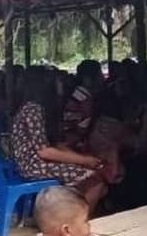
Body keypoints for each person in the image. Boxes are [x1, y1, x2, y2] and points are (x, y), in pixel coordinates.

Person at [10, 69, 109, 212]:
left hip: (35, 164)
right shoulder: (33, 110)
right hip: (33, 167)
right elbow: (44, 152)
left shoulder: (32, 108)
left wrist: (81, 158)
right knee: (94, 180)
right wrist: (84, 161)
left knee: (95, 179)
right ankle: (75, 221)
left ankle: (70, 215)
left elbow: (54, 146)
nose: (61, 86)